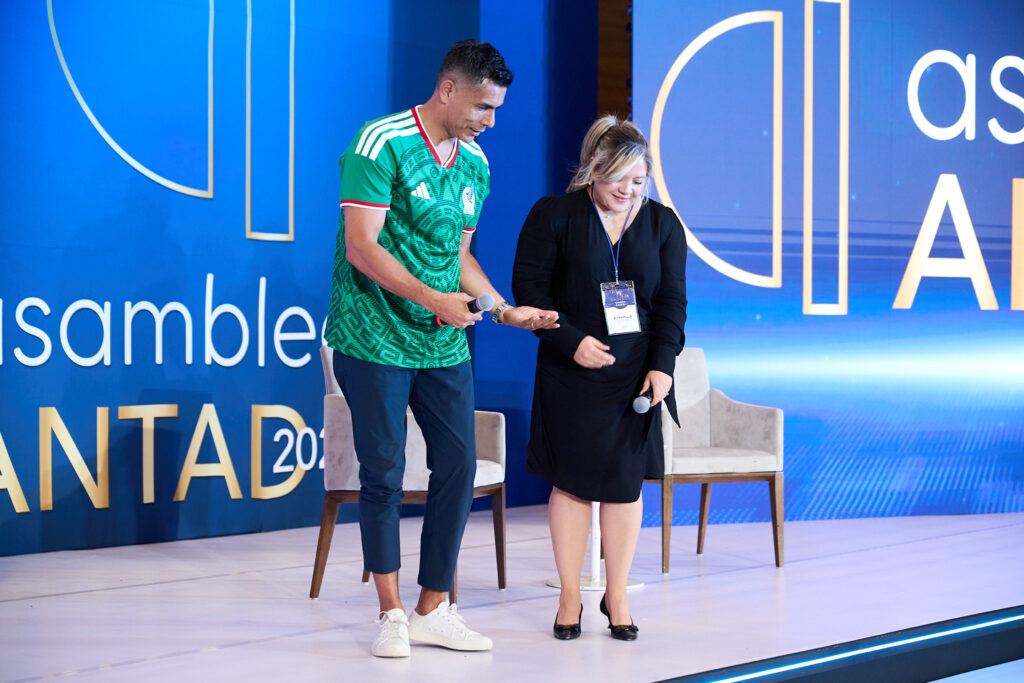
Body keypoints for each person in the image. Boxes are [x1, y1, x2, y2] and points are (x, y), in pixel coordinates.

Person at [324, 39, 559, 658]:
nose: (491, 120)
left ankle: (433, 608)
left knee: (458, 465)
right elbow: (362, 247)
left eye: (497, 108)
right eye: (483, 106)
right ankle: (390, 613)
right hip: (372, 335)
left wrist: (502, 309)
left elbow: (458, 257)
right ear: (448, 89)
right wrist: (435, 300)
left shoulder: (475, 163)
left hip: (442, 341)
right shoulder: (381, 142)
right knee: (383, 472)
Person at [512, 115, 687, 641]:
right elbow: (529, 291)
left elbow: (672, 304)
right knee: (571, 483)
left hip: (634, 375)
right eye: (618, 180)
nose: (628, 192)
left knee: (624, 486)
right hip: (571, 369)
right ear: (593, 170)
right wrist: (570, 340)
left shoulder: (662, 224)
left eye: (639, 181)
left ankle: (617, 594)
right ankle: (570, 595)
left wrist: (662, 365)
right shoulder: (554, 215)